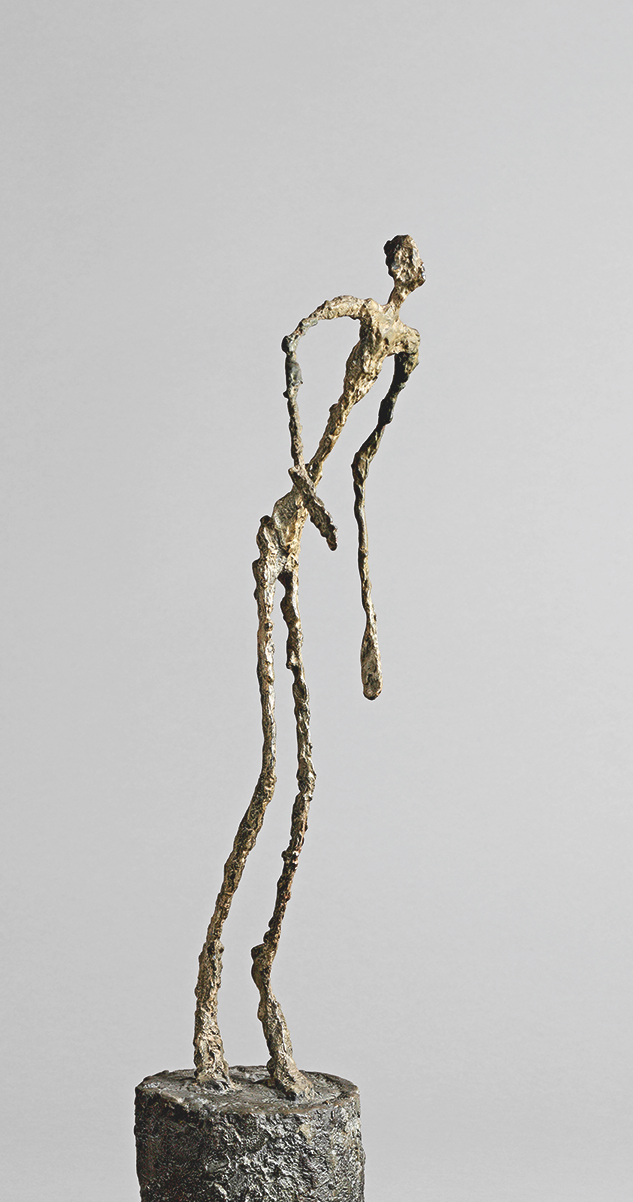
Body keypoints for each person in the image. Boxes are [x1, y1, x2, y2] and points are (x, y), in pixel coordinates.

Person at [192, 236, 426, 1098]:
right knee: (271, 773)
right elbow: (291, 347)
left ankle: (263, 984)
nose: (408, 271)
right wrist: (299, 468)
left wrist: (366, 606)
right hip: (278, 543)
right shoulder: (355, 315)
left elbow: (368, 457)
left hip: (312, 528)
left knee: (304, 786)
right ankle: (212, 993)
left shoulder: (405, 343)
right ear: (393, 265)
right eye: (402, 260)